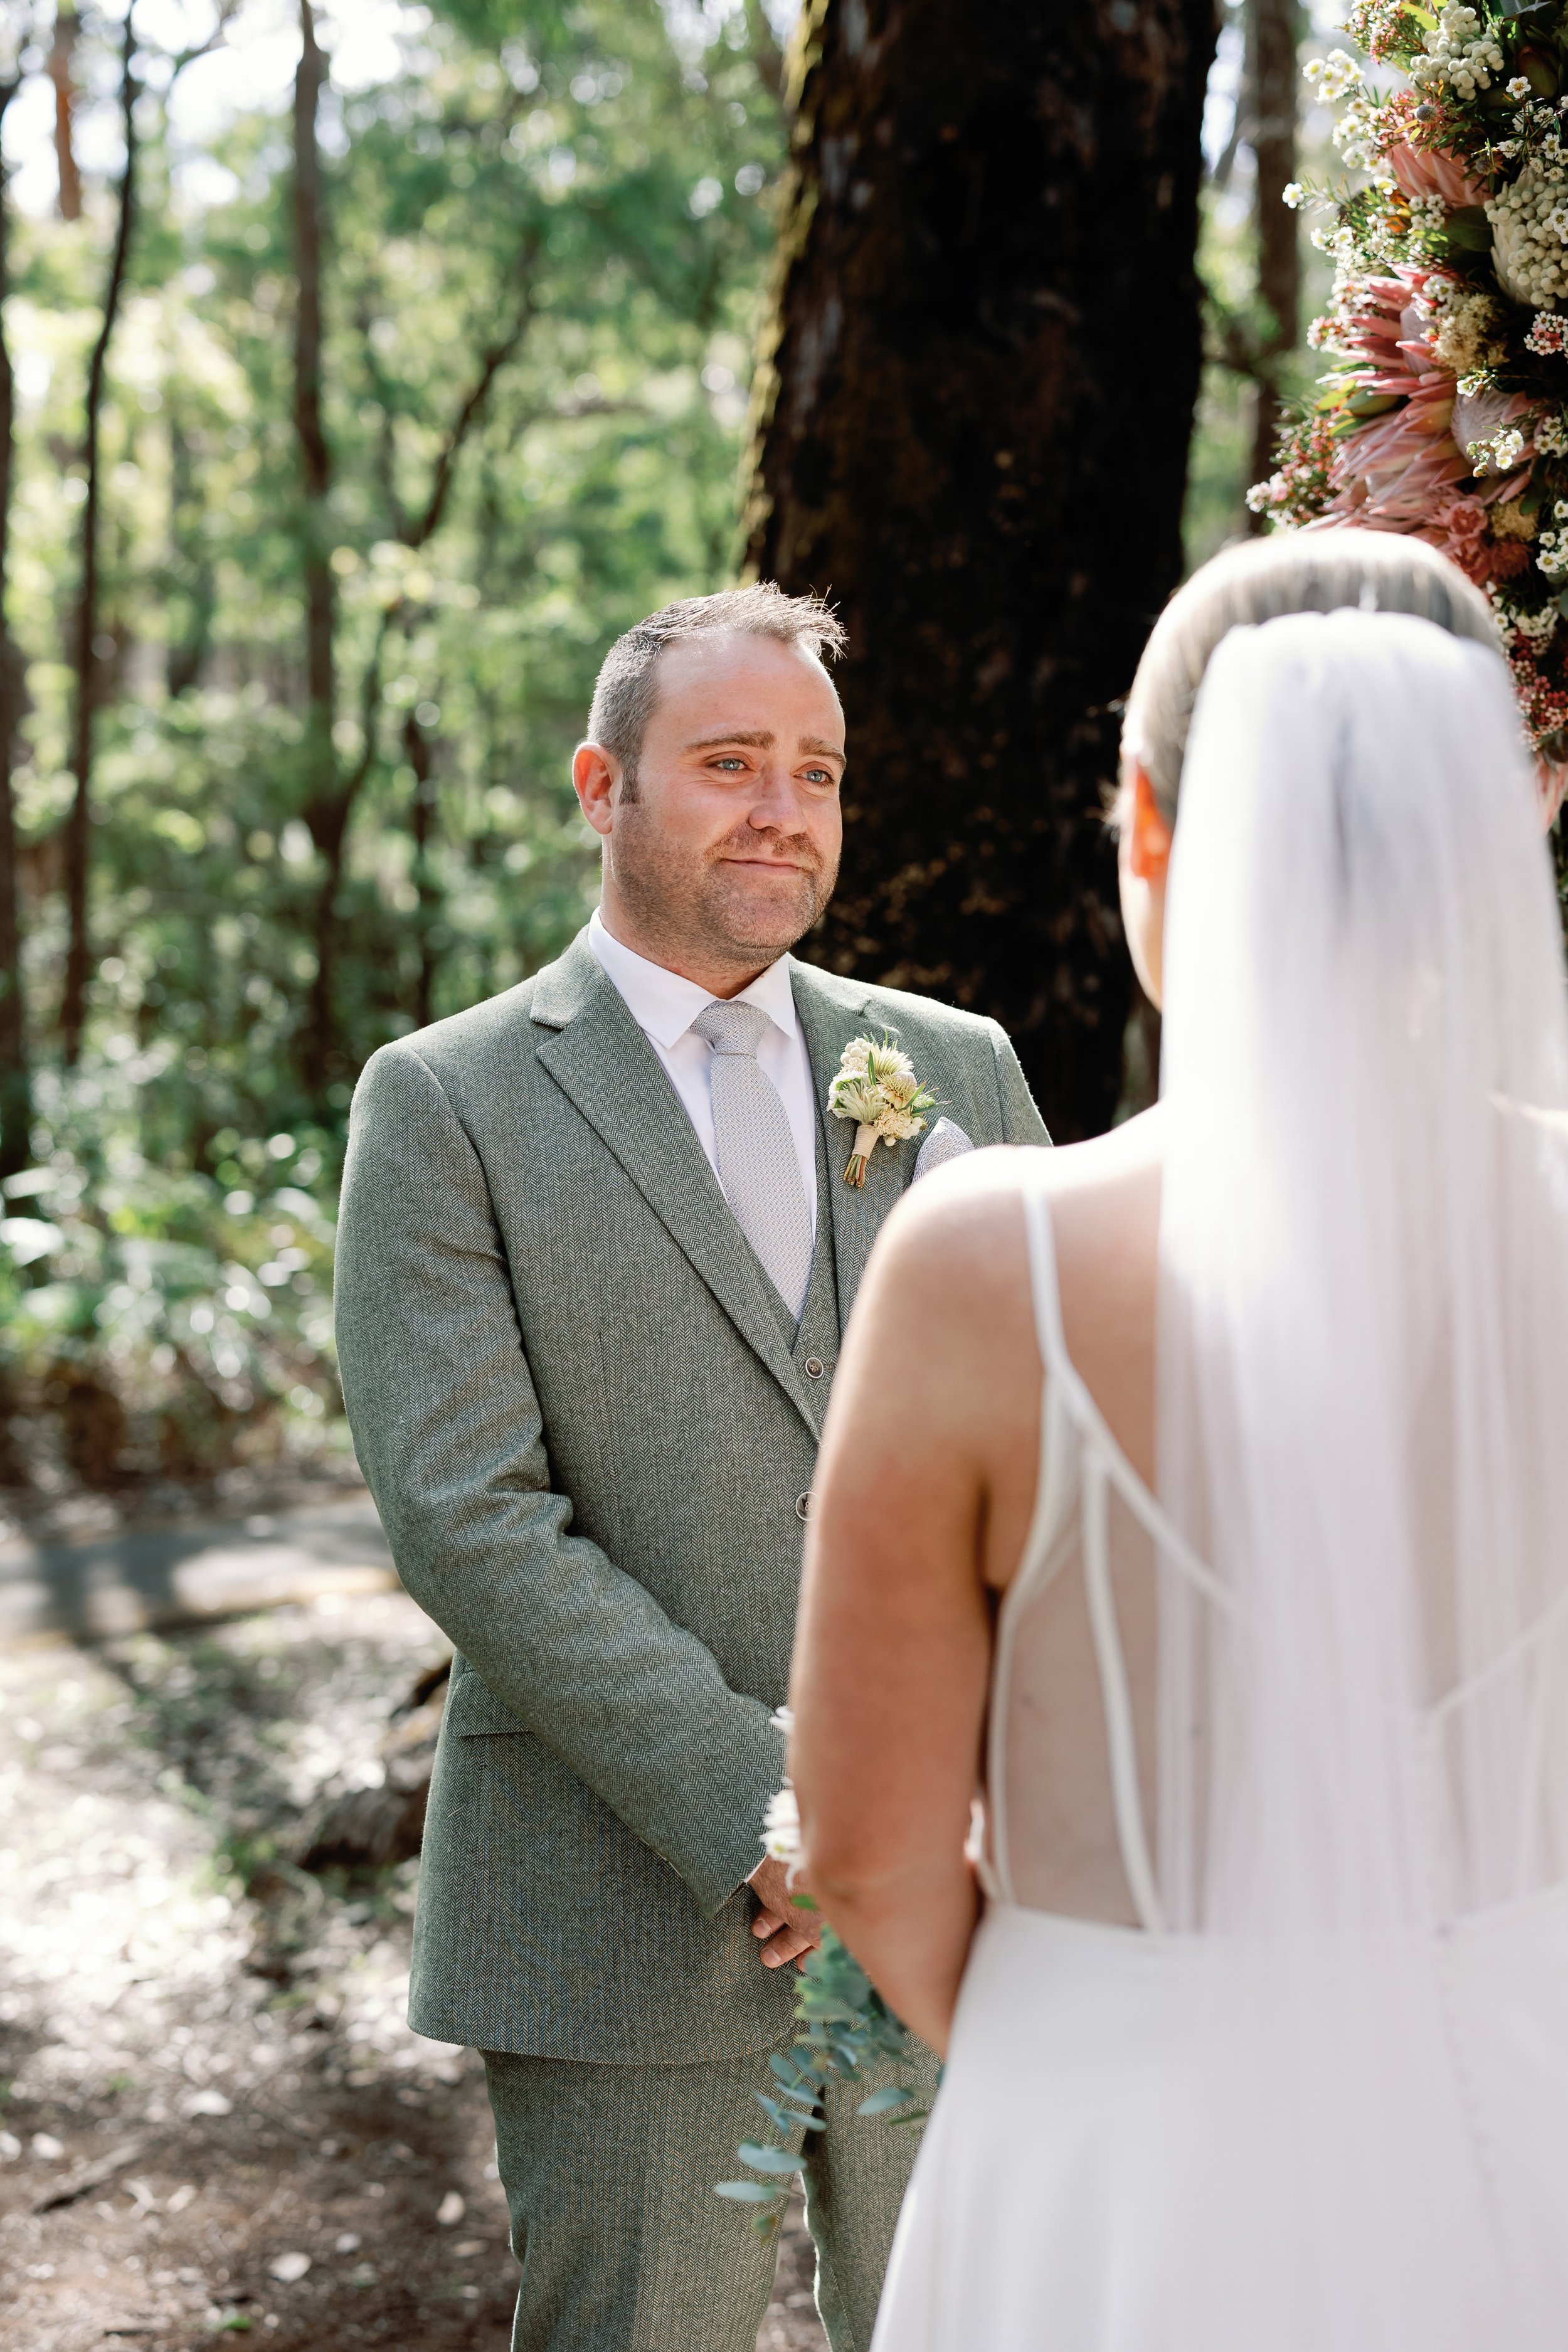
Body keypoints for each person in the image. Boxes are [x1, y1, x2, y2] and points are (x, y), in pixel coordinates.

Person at [788, 531, 1568, 2351]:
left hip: (1129, 2152)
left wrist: (1119, 2054)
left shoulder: (993, 1271)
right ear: (1489, 839)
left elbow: (872, 1850)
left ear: (1145, 828)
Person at [332, 582, 1051, 2352]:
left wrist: (947, 1795)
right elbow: (467, 1516)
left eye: (815, 770)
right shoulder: (445, 1104)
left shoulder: (950, 1070)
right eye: (730, 762)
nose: (781, 809)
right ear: (602, 786)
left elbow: (1065, 1452)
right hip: (616, 1900)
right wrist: (776, 1813)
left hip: (954, 1890)